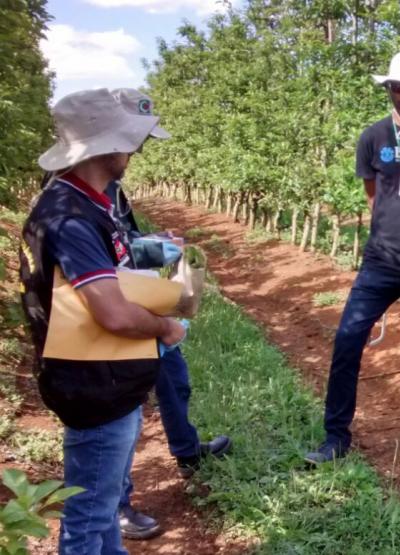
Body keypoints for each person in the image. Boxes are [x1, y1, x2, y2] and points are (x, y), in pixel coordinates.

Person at [19, 88, 186, 555]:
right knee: (89, 518)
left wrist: (148, 250)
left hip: (111, 380)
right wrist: (166, 327)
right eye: (132, 140)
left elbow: (110, 263)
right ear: (106, 145)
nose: (136, 150)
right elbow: (110, 311)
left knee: (104, 502)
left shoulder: (89, 203)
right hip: (94, 386)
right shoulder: (69, 216)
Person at [305, 51, 400, 469]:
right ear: (388, 89)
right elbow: (373, 196)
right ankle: (336, 436)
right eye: (397, 87)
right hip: (380, 262)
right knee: (347, 341)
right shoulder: (373, 136)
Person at [107, 88, 231, 541]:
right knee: (120, 417)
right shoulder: (77, 201)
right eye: (135, 139)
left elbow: (123, 247)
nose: (139, 149)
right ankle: (117, 506)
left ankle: (187, 449)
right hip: (110, 319)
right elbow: (101, 266)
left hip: (133, 304)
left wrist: (158, 241)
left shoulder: (112, 194)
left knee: (173, 379)